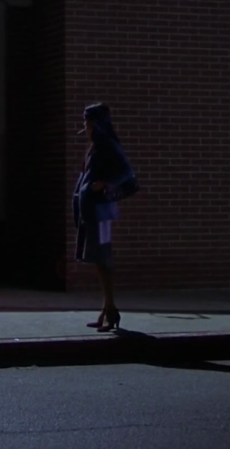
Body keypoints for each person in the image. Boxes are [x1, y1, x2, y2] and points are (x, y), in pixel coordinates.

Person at [73, 102, 135, 332]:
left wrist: (104, 185)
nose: (85, 127)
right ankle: (106, 309)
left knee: (103, 260)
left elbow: (126, 171)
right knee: (98, 260)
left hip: (101, 212)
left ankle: (111, 310)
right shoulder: (95, 147)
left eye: (88, 123)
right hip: (92, 211)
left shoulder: (107, 145)